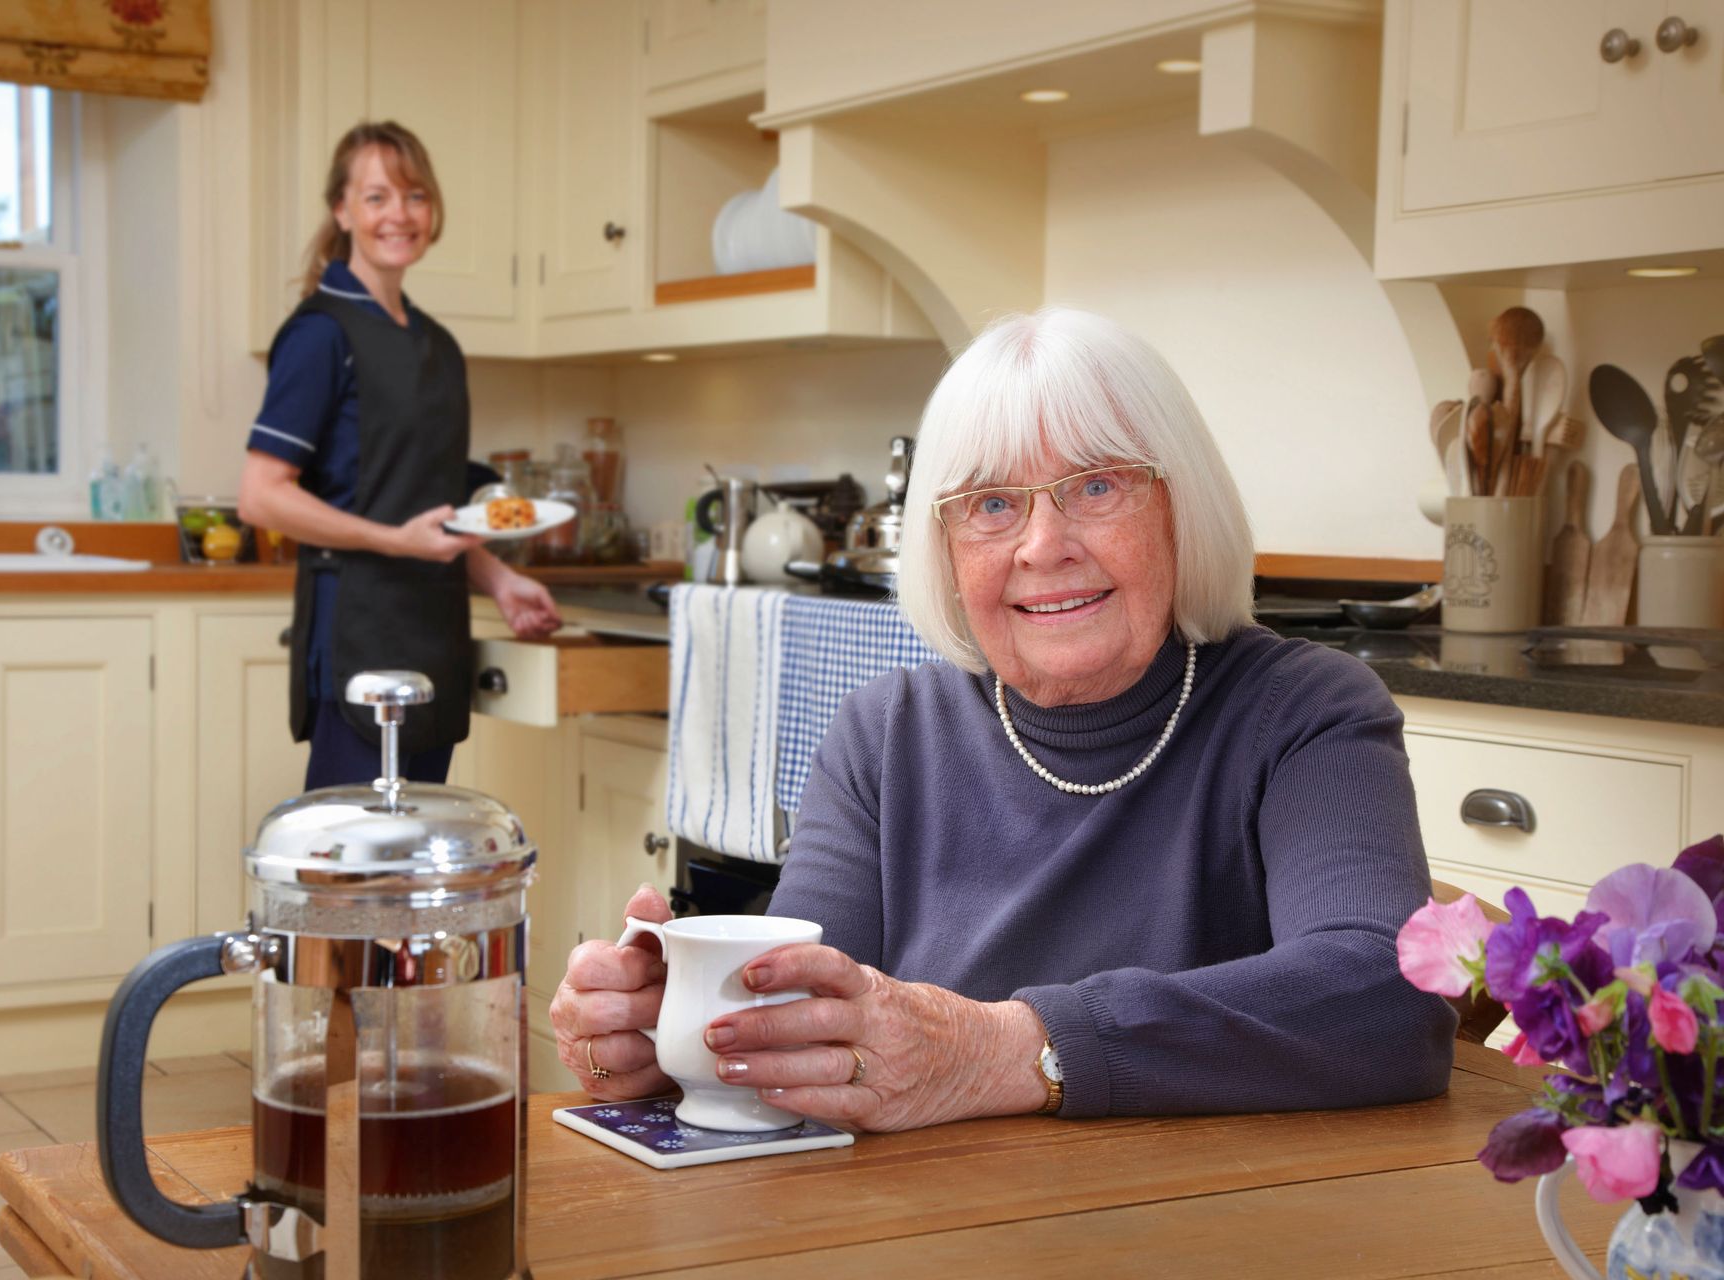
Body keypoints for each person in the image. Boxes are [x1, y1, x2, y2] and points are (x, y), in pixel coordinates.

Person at [550, 308, 1455, 1131]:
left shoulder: (1304, 711)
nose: (1042, 545)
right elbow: (800, 1032)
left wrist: (1005, 1048)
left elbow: (1387, 995)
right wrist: (680, 1037)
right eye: (989, 504)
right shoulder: (885, 737)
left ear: (1184, 507)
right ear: (942, 547)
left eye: (1097, 487)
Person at [238, 122, 559, 789]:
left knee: (418, 874)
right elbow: (261, 495)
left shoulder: (438, 346)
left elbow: (432, 510)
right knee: (355, 873)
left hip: (435, 637)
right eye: (378, 196)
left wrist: (500, 582)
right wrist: (393, 541)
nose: (399, 215)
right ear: (343, 209)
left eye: (414, 196)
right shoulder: (320, 334)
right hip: (359, 634)